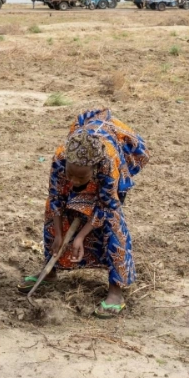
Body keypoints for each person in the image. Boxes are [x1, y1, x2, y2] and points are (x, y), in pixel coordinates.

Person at [19, 109, 136, 317]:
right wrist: (58, 234)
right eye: (70, 175)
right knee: (53, 211)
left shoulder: (107, 163)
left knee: (112, 221)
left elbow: (106, 205)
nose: (73, 181)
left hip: (109, 183)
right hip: (78, 165)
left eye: (80, 178)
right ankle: (49, 273)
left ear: (94, 169)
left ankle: (116, 291)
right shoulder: (61, 157)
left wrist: (80, 236)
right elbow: (55, 196)